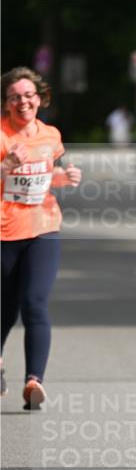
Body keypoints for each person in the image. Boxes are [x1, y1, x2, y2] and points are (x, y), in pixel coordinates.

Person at [1, 66, 82, 407]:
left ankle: (33, 381)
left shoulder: (50, 135)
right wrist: (6, 165)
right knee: (4, 308)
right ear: (6, 103)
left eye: (29, 95)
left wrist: (65, 177)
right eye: (15, 97)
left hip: (43, 228)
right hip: (4, 233)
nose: (23, 102)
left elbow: (46, 176)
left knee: (34, 302)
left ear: (40, 98)